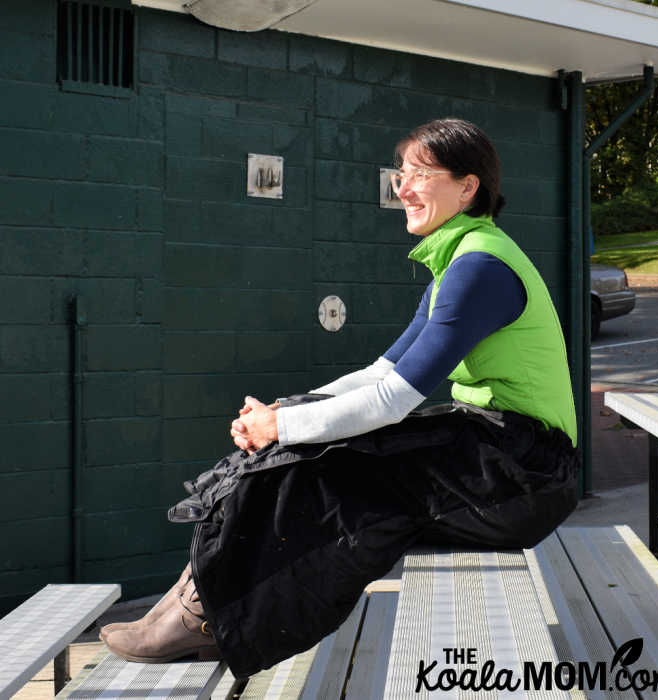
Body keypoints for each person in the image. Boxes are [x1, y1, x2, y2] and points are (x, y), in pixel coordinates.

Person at [100, 118, 580, 675]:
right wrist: (287, 409)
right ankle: (198, 604)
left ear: (468, 187)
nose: (402, 188)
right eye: (402, 173)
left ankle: (207, 616)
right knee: (308, 449)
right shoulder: (461, 260)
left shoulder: (480, 269)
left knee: (324, 469)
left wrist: (282, 428)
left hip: (526, 474)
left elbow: (394, 398)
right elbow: (381, 369)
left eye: (419, 174)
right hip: (496, 453)